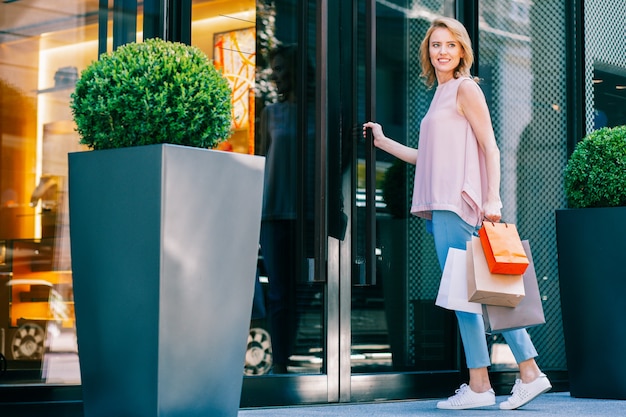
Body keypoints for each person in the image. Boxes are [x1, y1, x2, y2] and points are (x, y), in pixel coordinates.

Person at [363, 17, 552, 410]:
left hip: (460, 204)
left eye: (450, 44)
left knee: (477, 293)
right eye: (435, 45)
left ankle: (521, 375)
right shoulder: (441, 93)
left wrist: (493, 198)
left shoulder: (466, 89)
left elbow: (492, 148)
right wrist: (383, 143)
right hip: (443, 206)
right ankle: (489, 383)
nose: (442, 51)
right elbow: (427, 158)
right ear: (428, 52)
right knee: (469, 294)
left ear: (462, 50)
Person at [258, 44, 300, 374]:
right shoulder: (271, 113)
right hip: (272, 212)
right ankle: (280, 363)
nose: (277, 76)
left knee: (302, 291)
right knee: (279, 292)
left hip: (307, 214)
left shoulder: (320, 111)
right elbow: (261, 160)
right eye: (274, 70)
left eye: (282, 68)